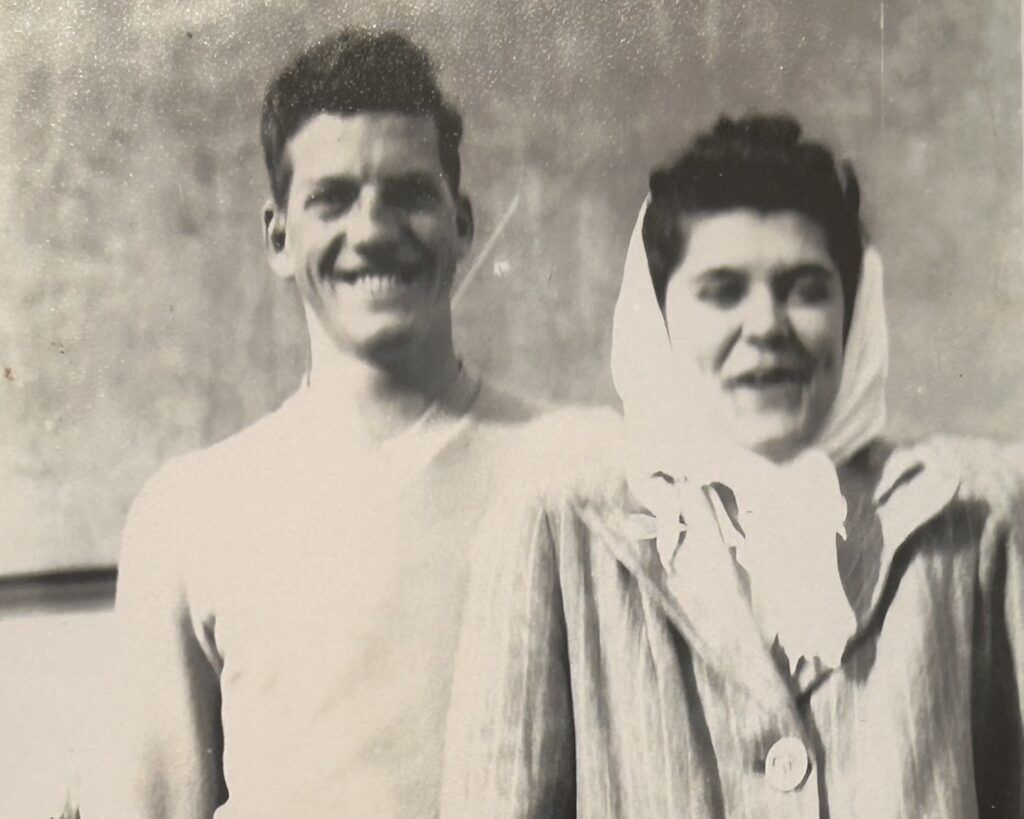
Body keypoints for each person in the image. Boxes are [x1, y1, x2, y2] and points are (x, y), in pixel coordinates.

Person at [85, 29, 612, 817]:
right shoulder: (191, 512)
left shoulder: (585, 463)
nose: (372, 230)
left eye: (409, 193)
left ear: (463, 224)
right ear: (278, 237)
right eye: (332, 198)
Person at [442, 115, 1024, 817]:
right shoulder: (560, 530)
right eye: (721, 290)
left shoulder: (968, 520)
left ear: (852, 309)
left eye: (805, 287)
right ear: (659, 316)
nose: (767, 326)